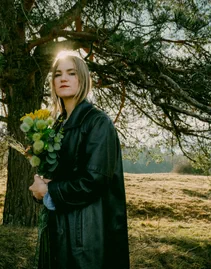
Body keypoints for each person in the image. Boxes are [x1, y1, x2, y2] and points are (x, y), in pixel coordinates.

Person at [29, 52, 130, 269]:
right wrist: (43, 186)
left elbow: (94, 181)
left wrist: (49, 191)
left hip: (86, 236)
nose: (63, 79)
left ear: (82, 79)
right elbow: (64, 175)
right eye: (58, 74)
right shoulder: (57, 126)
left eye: (71, 73)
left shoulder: (97, 123)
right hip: (58, 230)